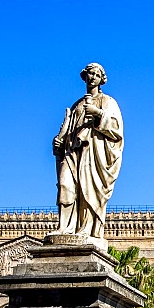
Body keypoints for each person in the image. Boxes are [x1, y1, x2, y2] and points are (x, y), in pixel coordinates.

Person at [52, 63, 124, 241]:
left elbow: (117, 129)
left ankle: (86, 229)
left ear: (101, 79)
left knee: (87, 191)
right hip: (72, 151)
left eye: (96, 74)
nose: (92, 77)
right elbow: (68, 129)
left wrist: (98, 113)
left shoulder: (107, 102)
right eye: (89, 74)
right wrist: (59, 142)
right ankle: (64, 227)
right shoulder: (76, 105)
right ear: (84, 77)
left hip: (93, 153)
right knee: (65, 185)